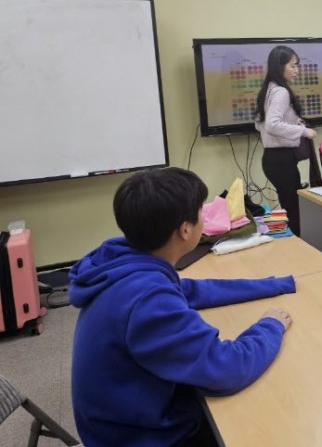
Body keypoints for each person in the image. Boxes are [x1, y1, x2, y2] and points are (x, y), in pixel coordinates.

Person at [70, 168, 296, 447]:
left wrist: (273, 285)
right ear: (185, 230)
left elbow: (191, 291)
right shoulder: (147, 299)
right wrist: (270, 326)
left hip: (126, 414)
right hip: (140, 437)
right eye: (202, 210)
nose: (206, 215)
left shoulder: (124, 261)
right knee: (266, 421)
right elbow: (226, 368)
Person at [254, 46, 317, 236]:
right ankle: (298, 247)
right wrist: (303, 131)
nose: (297, 70)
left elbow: (259, 123)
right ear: (279, 66)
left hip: (272, 159)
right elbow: (272, 125)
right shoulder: (281, 91)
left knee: (290, 208)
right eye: (293, 66)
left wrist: (291, 122)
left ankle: (293, 244)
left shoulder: (269, 89)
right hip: (281, 159)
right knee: (294, 211)